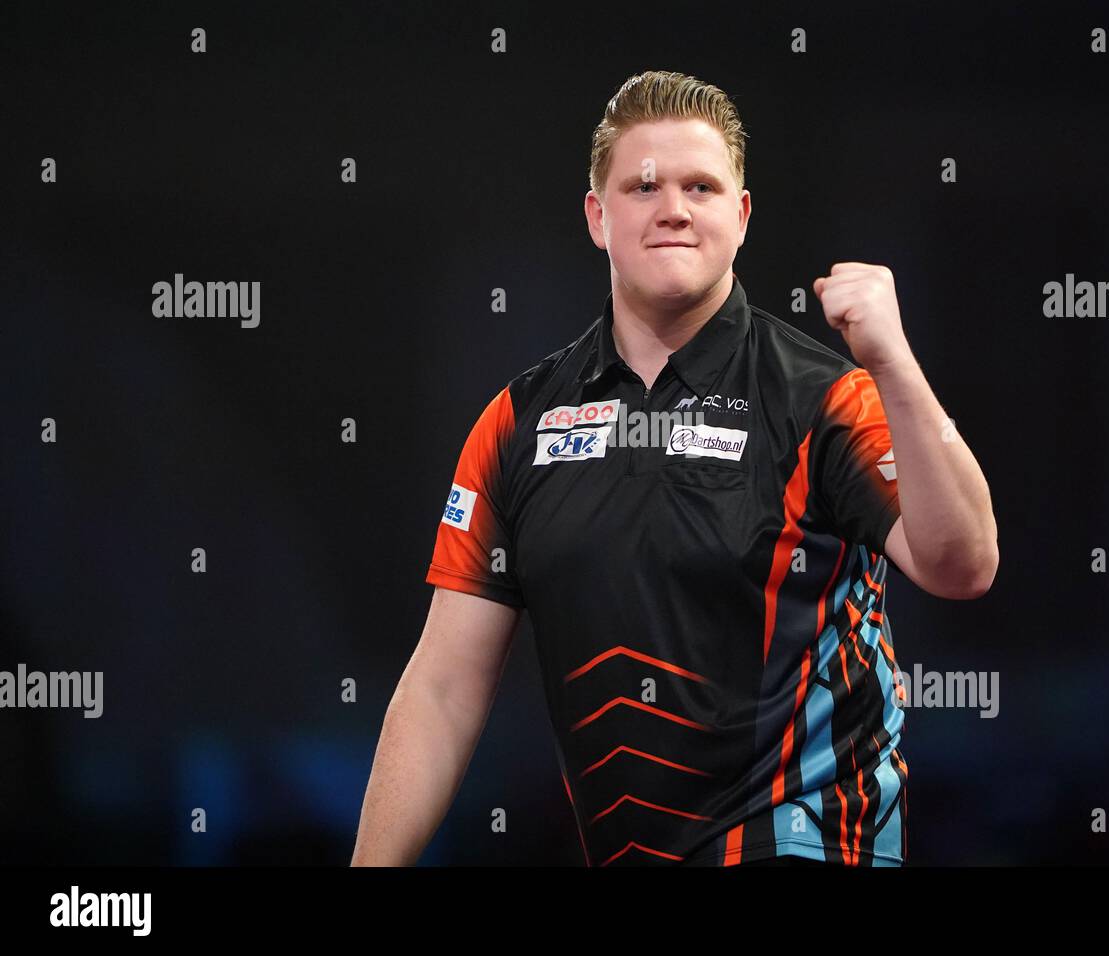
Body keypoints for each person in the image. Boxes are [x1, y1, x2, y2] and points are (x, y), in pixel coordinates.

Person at [352, 70, 997, 867]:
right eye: (643, 186)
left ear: (742, 214)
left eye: (702, 185)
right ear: (597, 216)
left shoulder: (827, 398)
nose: (674, 209)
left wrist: (894, 361)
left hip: (811, 842)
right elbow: (443, 689)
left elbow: (963, 562)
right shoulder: (518, 423)